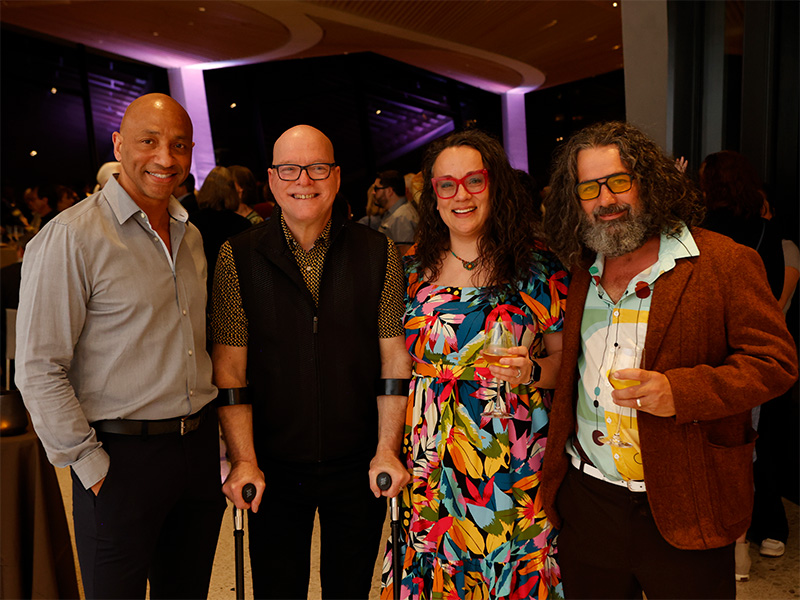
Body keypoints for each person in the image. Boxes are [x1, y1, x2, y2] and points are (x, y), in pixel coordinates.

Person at [540, 121, 798, 600]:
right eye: (590, 187)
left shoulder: (722, 261)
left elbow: (775, 362)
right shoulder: (579, 268)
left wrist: (680, 392)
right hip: (589, 501)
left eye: (620, 180)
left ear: (649, 181)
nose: (606, 199)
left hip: (688, 499)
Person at [15, 93, 226, 599]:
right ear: (118, 144)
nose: (164, 158)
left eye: (178, 145)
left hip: (195, 453)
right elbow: (39, 367)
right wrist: (90, 466)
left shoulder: (190, 236)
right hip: (118, 458)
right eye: (148, 141)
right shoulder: (71, 235)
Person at [210, 124, 410, 599]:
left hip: (358, 462)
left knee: (349, 588)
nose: (304, 179)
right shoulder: (238, 256)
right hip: (273, 467)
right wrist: (242, 460)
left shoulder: (377, 251)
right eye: (290, 169)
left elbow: (393, 359)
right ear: (272, 180)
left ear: (336, 177)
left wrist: (387, 448)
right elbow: (230, 371)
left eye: (318, 167)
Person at [381, 129, 567, 599]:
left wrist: (532, 371)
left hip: (512, 455)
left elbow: (568, 361)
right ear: (433, 196)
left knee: (513, 569)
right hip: (430, 456)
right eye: (446, 184)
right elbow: (393, 368)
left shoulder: (538, 267)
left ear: (496, 186)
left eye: (474, 181)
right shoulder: (408, 269)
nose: (460, 195)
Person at [192, 165, 252, 314]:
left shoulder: (191, 223)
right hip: (235, 299)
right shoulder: (243, 224)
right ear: (231, 192)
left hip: (200, 296)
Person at [373, 169, 419, 256]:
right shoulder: (396, 214)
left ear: (389, 191)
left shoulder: (401, 216)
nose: (373, 192)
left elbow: (407, 257)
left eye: (376, 189)